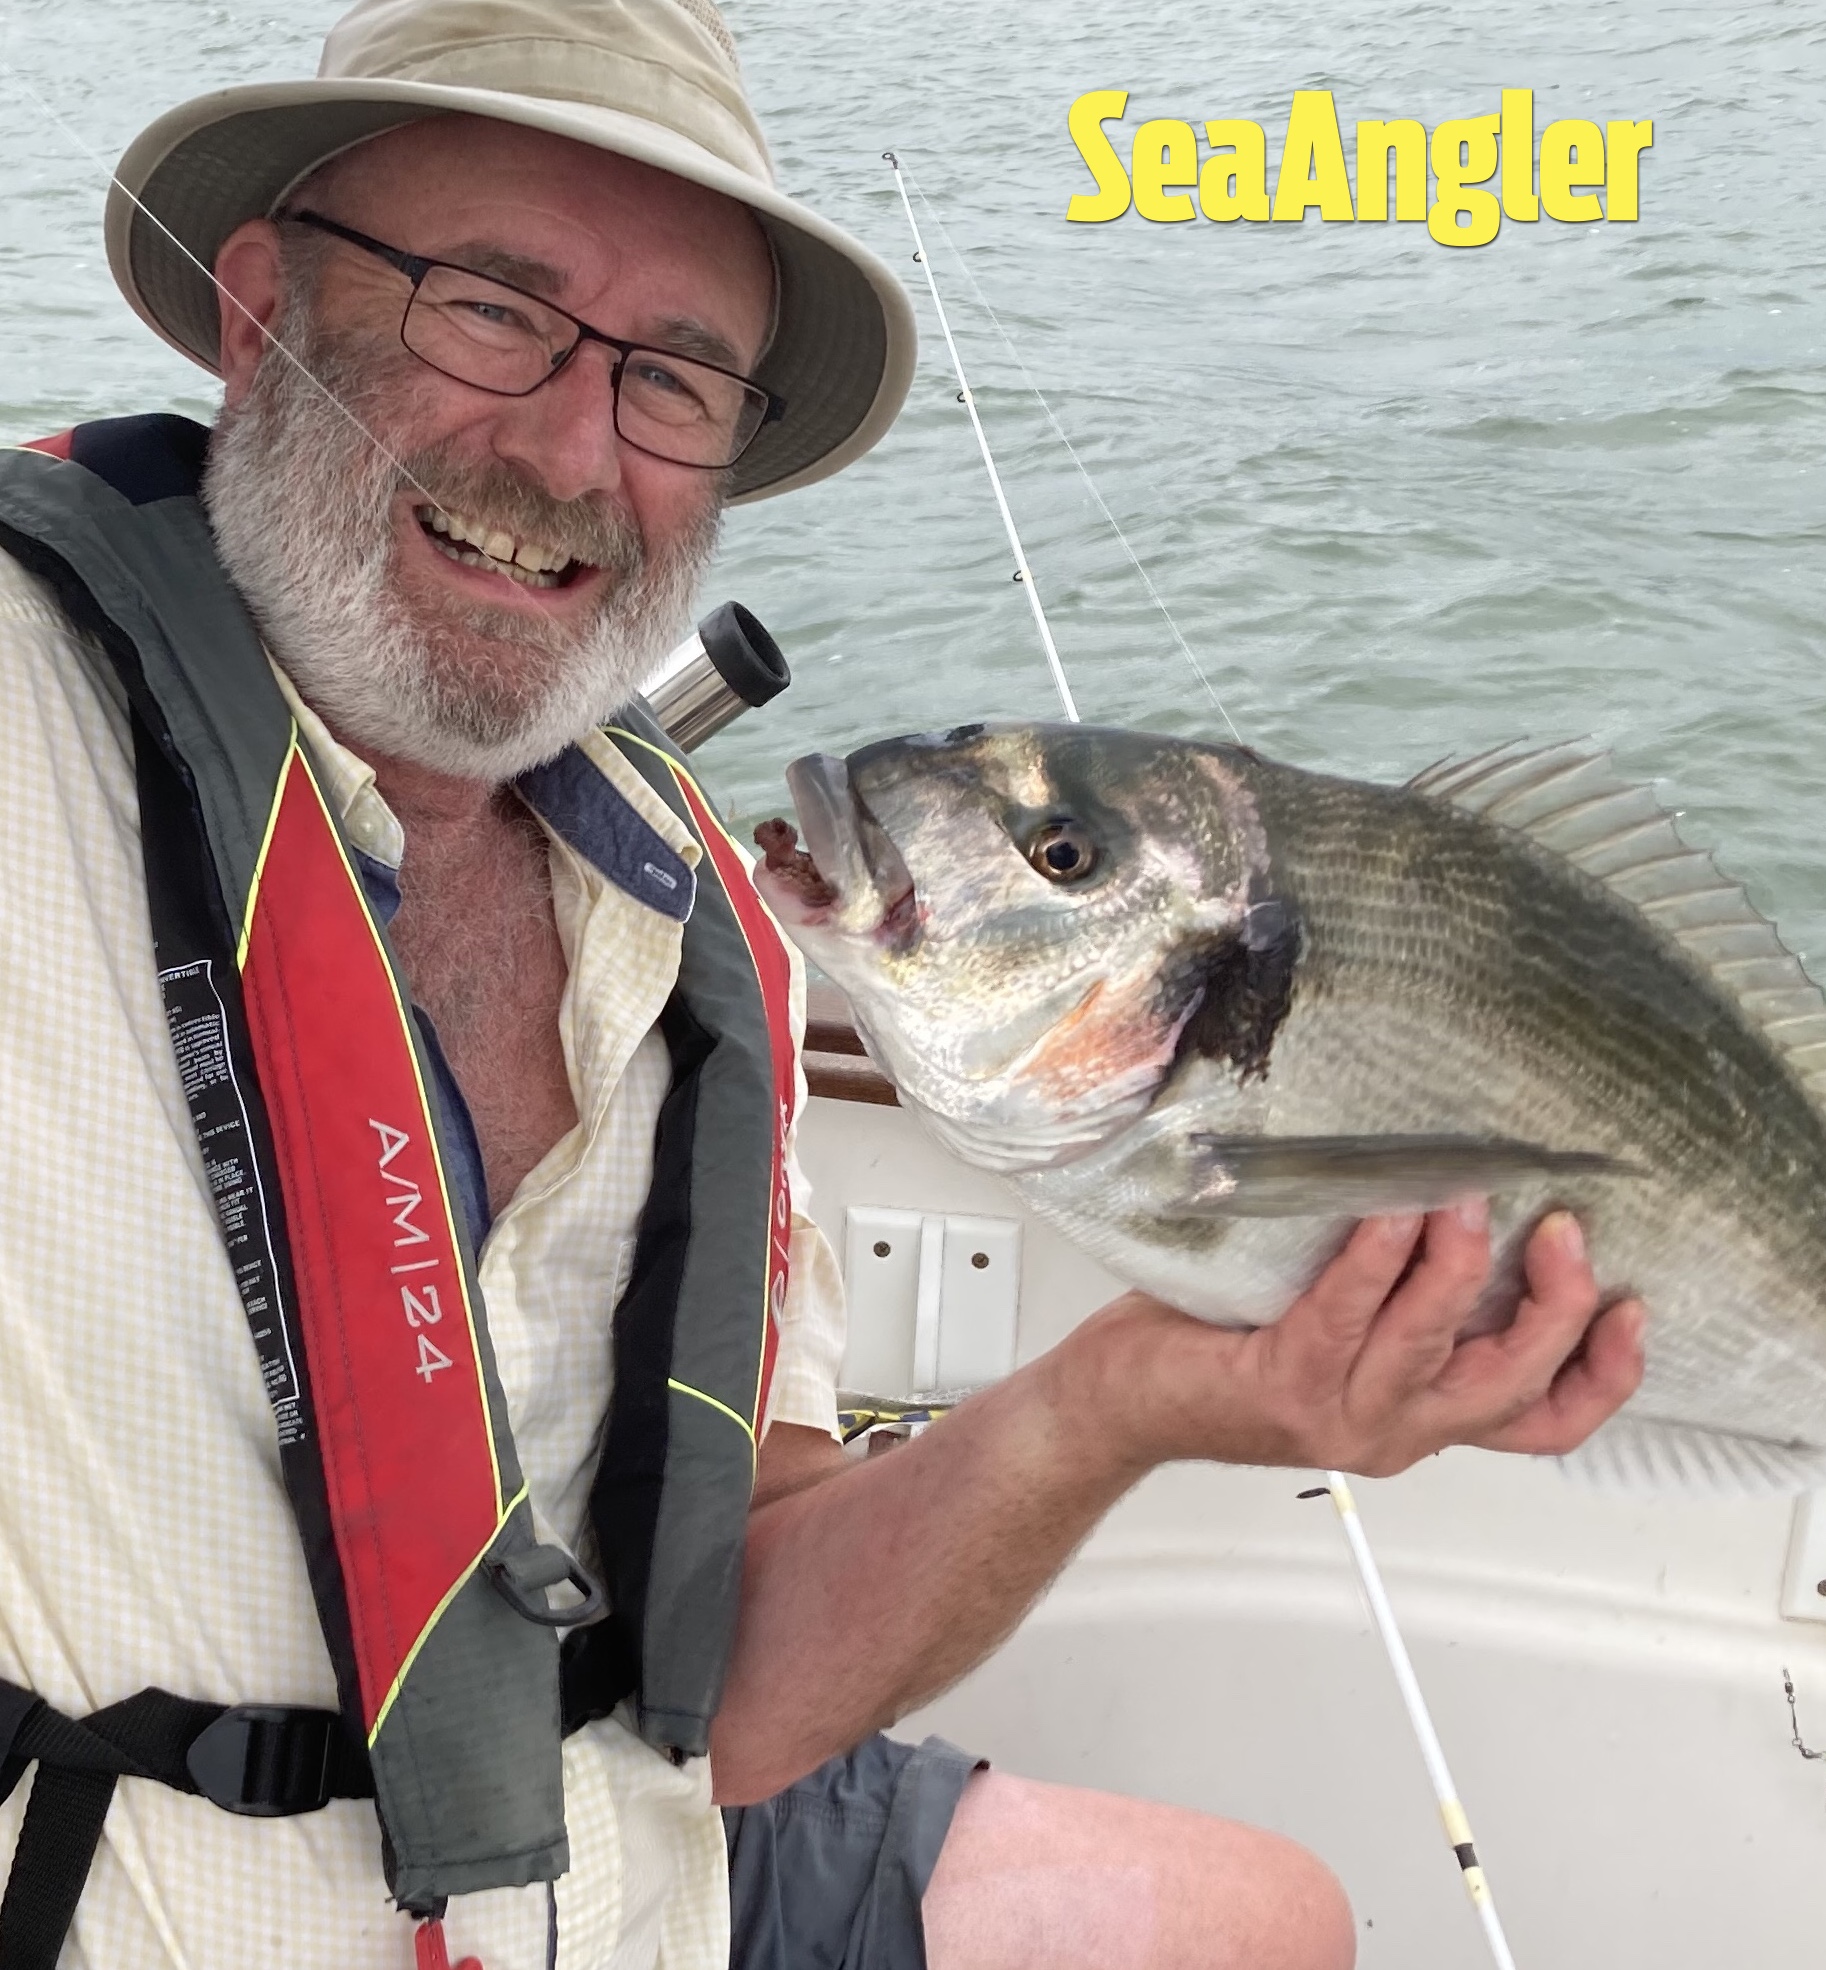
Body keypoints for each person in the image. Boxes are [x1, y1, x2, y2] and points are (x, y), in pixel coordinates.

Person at [0, 2, 1646, 1966]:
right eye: (490, 311)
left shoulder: (709, 922)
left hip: (625, 1873)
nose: (569, 450)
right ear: (261, 304)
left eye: (677, 380)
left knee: (1259, 1922)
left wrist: (1123, 1399)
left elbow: (739, 1692)